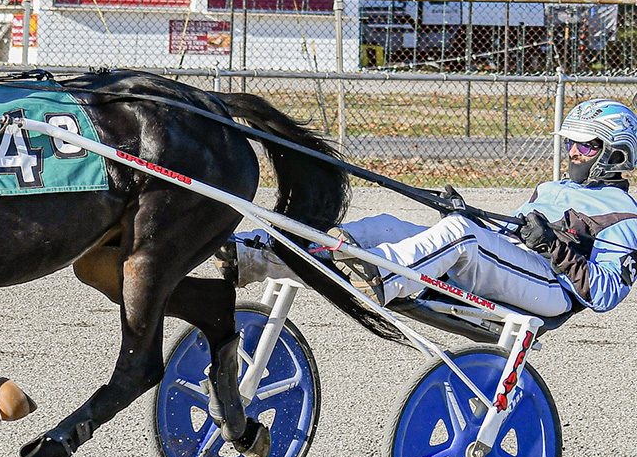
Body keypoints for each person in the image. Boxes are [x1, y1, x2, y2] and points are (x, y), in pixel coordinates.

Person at [217, 98, 637, 317]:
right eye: (570, 142)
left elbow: (603, 295)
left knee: (462, 235)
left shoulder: (624, 214)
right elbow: (507, 242)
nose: (573, 152)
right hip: (518, 268)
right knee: (385, 225)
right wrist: (464, 212)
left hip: (551, 290)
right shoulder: (553, 187)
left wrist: (551, 247)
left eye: (586, 144)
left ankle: (380, 274)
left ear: (616, 153)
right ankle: (253, 252)